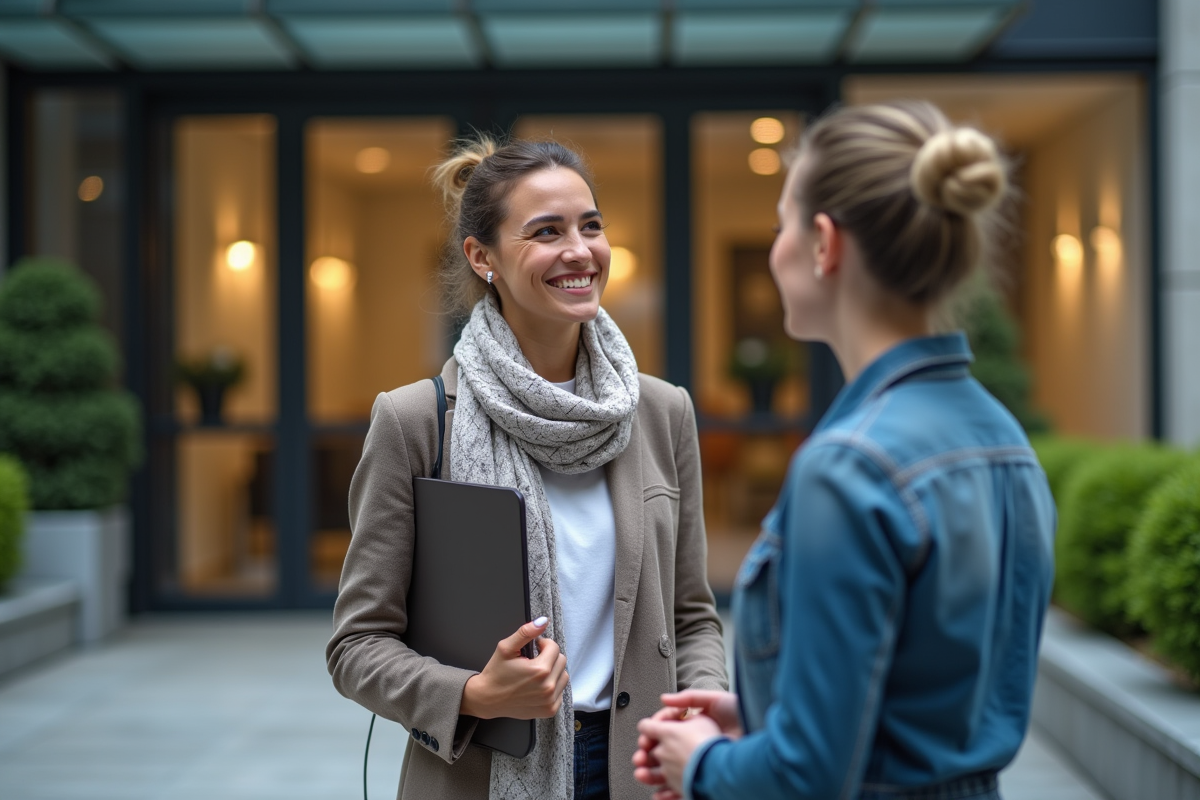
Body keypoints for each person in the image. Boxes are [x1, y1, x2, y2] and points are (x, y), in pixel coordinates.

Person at [633, 100, 1056, 800]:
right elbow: (923, 702)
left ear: (825, 244)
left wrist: (701, 764)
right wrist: (769, 714)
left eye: (781, 225)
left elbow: (806, 779)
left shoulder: (848, 467)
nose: (776, 249)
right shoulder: (1005, 438)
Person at [326, 135, 727, 800]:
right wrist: (476, 693)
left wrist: (704, 704)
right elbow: (358, 646)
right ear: (483, 258)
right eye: (547, 232)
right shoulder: (417, 421)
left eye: (589, 225)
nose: (579, 251)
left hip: (642, 768)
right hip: (482, 772)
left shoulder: (660, 412)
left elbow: (692, 615)